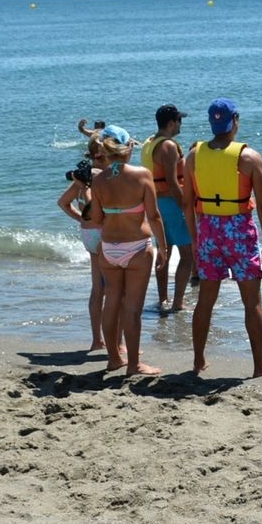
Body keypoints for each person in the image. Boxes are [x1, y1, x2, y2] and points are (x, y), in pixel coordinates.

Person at [182, 97, 262, 377]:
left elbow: (187, 203)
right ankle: (259, 367)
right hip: (239, 232)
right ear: (235, 120)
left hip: (209, 230)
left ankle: (198, 361)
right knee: (252, 302)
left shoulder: (194, 155)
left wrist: (196, 238)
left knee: (205, 301)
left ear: (212, 122)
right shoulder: (248, 157)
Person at [88, 125, 165, 376]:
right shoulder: (142, 175)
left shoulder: (97, 179)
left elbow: (97, 218)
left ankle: (113, 359)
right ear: (128, 147)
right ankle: (133, 365)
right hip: (137, 248)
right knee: (132, 309)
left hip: (109, 248)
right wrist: (163, 247)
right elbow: (153, 215)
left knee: (111, 303)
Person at [55, 139, 114, 357]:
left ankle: (97, 340)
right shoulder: (102, 176)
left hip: (88, 235)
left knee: (98, 287)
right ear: (103, 154)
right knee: (114, 289)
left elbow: (63, 203)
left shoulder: (82, 177)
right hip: (103, 234)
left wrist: (81, 219)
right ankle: (116, 342)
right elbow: (98, 207)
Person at [141, 104, 194, 313]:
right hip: (171, 204)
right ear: (172, 123)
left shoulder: (149, 143)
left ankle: (163, 299)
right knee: (188, 254)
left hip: (155, 204)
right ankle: (178, 303)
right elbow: (172, 182)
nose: (181, 124)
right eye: (180, 120)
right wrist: (185, 206)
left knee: (164, 252)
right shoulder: (169, 147)